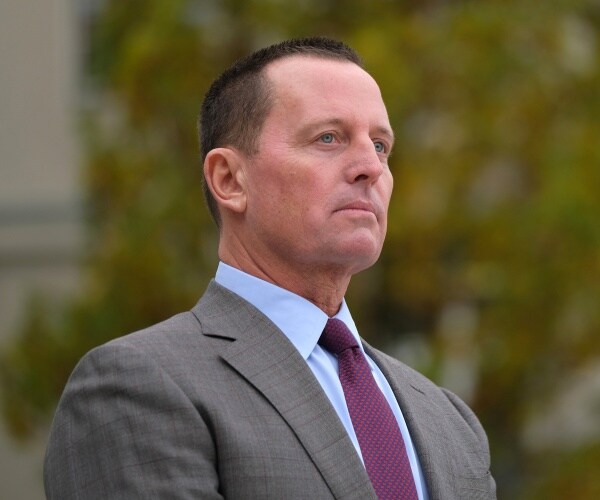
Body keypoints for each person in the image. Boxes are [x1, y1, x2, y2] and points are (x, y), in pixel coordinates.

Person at [44, 37, 496, 499]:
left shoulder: (449, 422)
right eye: (328, 138)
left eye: (381, 146)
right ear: (229, 179)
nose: (370, 167)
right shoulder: (138, 388)